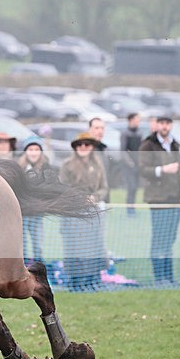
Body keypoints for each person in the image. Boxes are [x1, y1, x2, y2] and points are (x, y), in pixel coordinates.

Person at [138, 114, 180, 285]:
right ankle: (159, 277)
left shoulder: (174, 144)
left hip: (176, 198)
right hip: (158, 199)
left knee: (170, 239)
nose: (165, 126)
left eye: (168, 123)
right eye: (162, 123)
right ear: (157, 125)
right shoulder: (148, 145)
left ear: (171, 125)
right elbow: (143, 170)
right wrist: (162, 169)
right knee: (160, 238)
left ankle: (169, 276)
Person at [59, 132, 109, 290]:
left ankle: (92, 280)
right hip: (75, 212)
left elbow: (104, 188)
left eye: (86, 144)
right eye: (79, 145)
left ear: (92, 147)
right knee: (76, 247)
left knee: (94, 247)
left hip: (93, 212)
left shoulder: (98, 164)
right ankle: (76, 282)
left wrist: (95, 197)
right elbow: (63, 188)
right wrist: (81, 199)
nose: (83, 147)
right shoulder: (67, 164)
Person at [17, 136, 55, 264]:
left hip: (37, 214)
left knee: (37, 245)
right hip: (22, 214)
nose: (33, 152)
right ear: (25, 151)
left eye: (36, 149)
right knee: (22, 246)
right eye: (30, 149)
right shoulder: (19, 168)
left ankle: (39, 269)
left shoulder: (46, 169)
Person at [119, 112, 143, 215]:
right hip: (128, 167)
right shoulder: (125, 134)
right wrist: (130, 163)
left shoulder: (139, 133)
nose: (139, 122)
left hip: (138, 165)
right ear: (131, 120)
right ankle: (129, 210)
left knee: (135, 188)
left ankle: (133, 208)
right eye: (137, 119)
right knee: (131, 187)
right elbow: (123, 151)